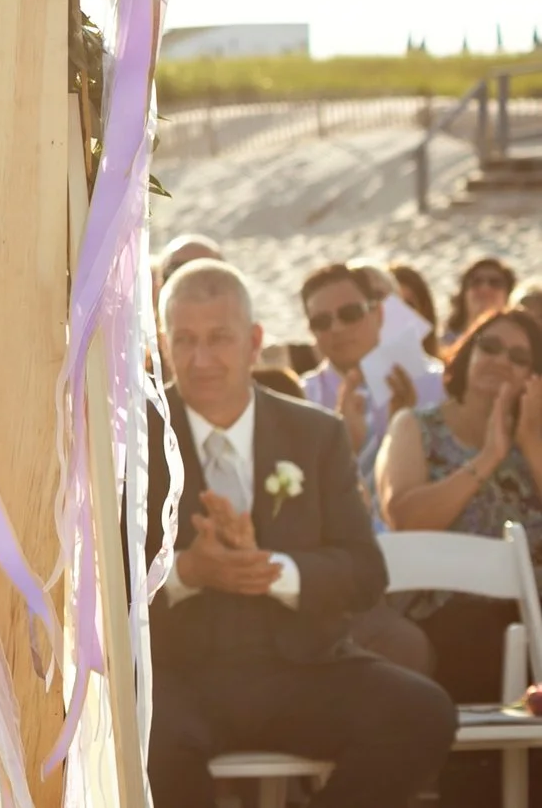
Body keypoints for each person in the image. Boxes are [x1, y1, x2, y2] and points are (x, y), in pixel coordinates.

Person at [145, 259, 455, 808]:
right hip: (178, 675)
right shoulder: (135, 441)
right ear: (164, 344)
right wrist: (186, 571)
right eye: (185, 340)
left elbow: (364, 574)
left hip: (301, 668)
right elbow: (98, 584)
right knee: (145, 739)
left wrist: (275, 571)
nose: (201, 359)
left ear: (255, 341)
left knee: (422, 713)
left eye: (219, 338)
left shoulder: (315, 435)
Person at [376, 306, 542, 711]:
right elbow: (406, 519)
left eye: (519, 358)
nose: (502, 360)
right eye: (490, 346)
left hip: (532, 613)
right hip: (446, 613)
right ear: (467, 355)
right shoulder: (416, 427)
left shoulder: (535, 438)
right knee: (476, 631)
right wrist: (488, 457)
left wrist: (531, 444)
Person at [295, 261, 442, 524]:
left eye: (350, 314)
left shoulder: (435, 385)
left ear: (379, 315)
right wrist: (341, 446)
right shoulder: (299, 399)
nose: (337, 328)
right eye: (321, 321)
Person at [443, 255, 518, 348]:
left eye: (495, 283)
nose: (485, 288)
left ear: (508, 295)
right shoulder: (444, 342)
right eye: (476, 282)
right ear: (464, 294)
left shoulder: (518, 344)